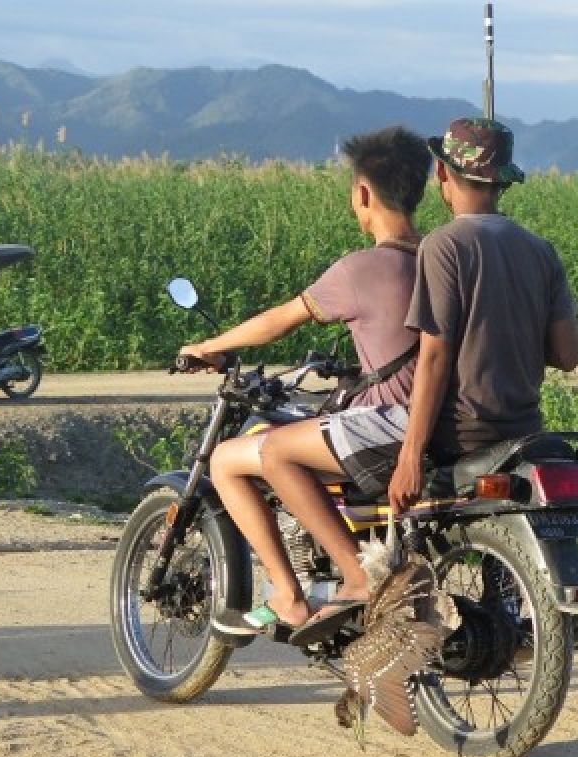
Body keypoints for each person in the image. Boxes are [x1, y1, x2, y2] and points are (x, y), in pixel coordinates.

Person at [179, 126, 431, 636]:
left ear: (363, 193)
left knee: (234, 458)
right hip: (435, 426)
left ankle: (297, 592)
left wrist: (210, 347)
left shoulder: (361, 269)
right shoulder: (442, 260)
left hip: (386, 428)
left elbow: (281, 318)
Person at [388, 117, 578, 512]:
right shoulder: (541, 251)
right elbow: (568, 355)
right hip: (524, 434)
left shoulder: (443, 246)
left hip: (462, 439)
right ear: (503, 181)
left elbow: (435, 355)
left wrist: (409, 457)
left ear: (442, 171)